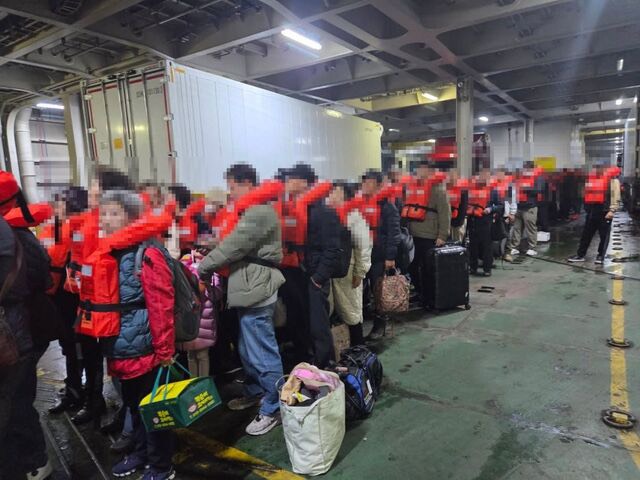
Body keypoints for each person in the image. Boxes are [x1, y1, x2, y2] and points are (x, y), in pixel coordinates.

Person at [80, 190, 176, 479]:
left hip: (146, 349)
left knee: (154, 411)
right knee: (134, 407)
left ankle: (161, 466)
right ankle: (141, 453)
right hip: (119, 348)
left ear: (132, 217)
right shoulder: (110, 251)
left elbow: (161, 304)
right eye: (104, 213)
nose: (106, 220)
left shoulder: (147, 253)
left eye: (114, 213)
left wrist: (164, 350)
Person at [198, 164, 286, 436]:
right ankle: (256, 391)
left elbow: (235, 246)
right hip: (248, 285)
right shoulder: (253, 210)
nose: (230, 192)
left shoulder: (259, 212)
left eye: (232, 186)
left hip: (256, 287)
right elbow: (235, 243)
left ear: (246, 183)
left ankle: (274, 406)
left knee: (261, 350)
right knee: (249, 348)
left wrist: (204, 267)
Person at [0, 171, 53, 480]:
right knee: (17, 401)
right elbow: (43, 278)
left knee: (17, 403)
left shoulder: (14, 235)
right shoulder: (20, 234)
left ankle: (34, 461)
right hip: (20, 329)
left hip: (16, 333)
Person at [278, 164, 341, 368]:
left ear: (305, 183)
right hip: (297, 274)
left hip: (314, 276)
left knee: (318, 324)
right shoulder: (294, 210)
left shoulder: (323, 212)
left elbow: (332, 249)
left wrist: (318, 279)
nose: (288, 183)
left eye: (292, 179)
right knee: (300, 320)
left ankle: (325, 365)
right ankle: (306, 361)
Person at [45, 187, 88, 415]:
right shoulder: (56, 230)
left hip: (76, 302)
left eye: (60, 203)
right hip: (60, 300)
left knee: (78, 349)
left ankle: (82, 393)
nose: (56, 208)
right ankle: (74, 389)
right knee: (69, 348)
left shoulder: (81, 232)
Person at [328, 182, 372, 347]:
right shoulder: (328, 214)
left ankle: (358, 347)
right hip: (331, 272)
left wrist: (360, 272)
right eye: (331, 192)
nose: (332, 195)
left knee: (352, 311)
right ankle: (342, 348)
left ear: (345, 195)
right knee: (334, 311)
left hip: (349, 271)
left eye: (336, 192)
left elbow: (364, 246)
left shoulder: (354, 217)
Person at [360, 169, 401, 340]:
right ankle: (366, 317)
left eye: (369, 182)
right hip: (363, 254)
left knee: (379, 290)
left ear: (378, 185)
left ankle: (380, 325)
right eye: (364, 182)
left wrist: (390, 257)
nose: (365, 185)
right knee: (363, 289)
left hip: (379, 255)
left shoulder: (387, 207)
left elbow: (394, 233)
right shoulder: (360, 204)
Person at [405, 160, 450, 300]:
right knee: (413, 266)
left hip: (430, 236)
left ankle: (430, 296)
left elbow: (445, 214)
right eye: (419, 169)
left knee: (428, 268)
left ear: (431, 171)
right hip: (414, 234)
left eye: (423, 169)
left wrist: (442, 235)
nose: (420, 172)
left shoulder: (438, 190)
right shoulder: (414, 188)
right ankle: (420, 292)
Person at [568, 166, 621, 264]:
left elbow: (616, 196)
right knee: (586, 234)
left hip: (605, 211)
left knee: (604, 236)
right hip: (592, 211)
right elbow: (586, 192)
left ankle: (600, 256)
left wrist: (612, 210)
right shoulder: (591, 177)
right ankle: (580, 255)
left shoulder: (613, 180)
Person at [179, 251, 220, 377]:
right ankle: (194, 383)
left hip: (204, 315)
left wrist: (207, 288)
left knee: (202, 354)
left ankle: (203, 382)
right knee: (191, 354)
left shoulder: (212, 263)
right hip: (189, 314)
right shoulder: (184, 262)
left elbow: (217, 293)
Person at [467, 169, 503, 276]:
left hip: (485, 221)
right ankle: (473, 267)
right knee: (473, 246)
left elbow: (500, 205)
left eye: (486, 175)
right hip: (472, 221)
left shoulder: (493, 191)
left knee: (487, 246)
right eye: (481, 175)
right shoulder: (471, 189)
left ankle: (487, 269)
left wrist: (490, 209)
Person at [505, 166, 544, 258]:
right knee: (517, 228)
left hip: (530, 207)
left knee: (530, 228)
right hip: (518, 207)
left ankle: (532, 247)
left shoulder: (537, 177)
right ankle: (514, 246)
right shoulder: (518, 177)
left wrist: (525, 187)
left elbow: (539, 190)